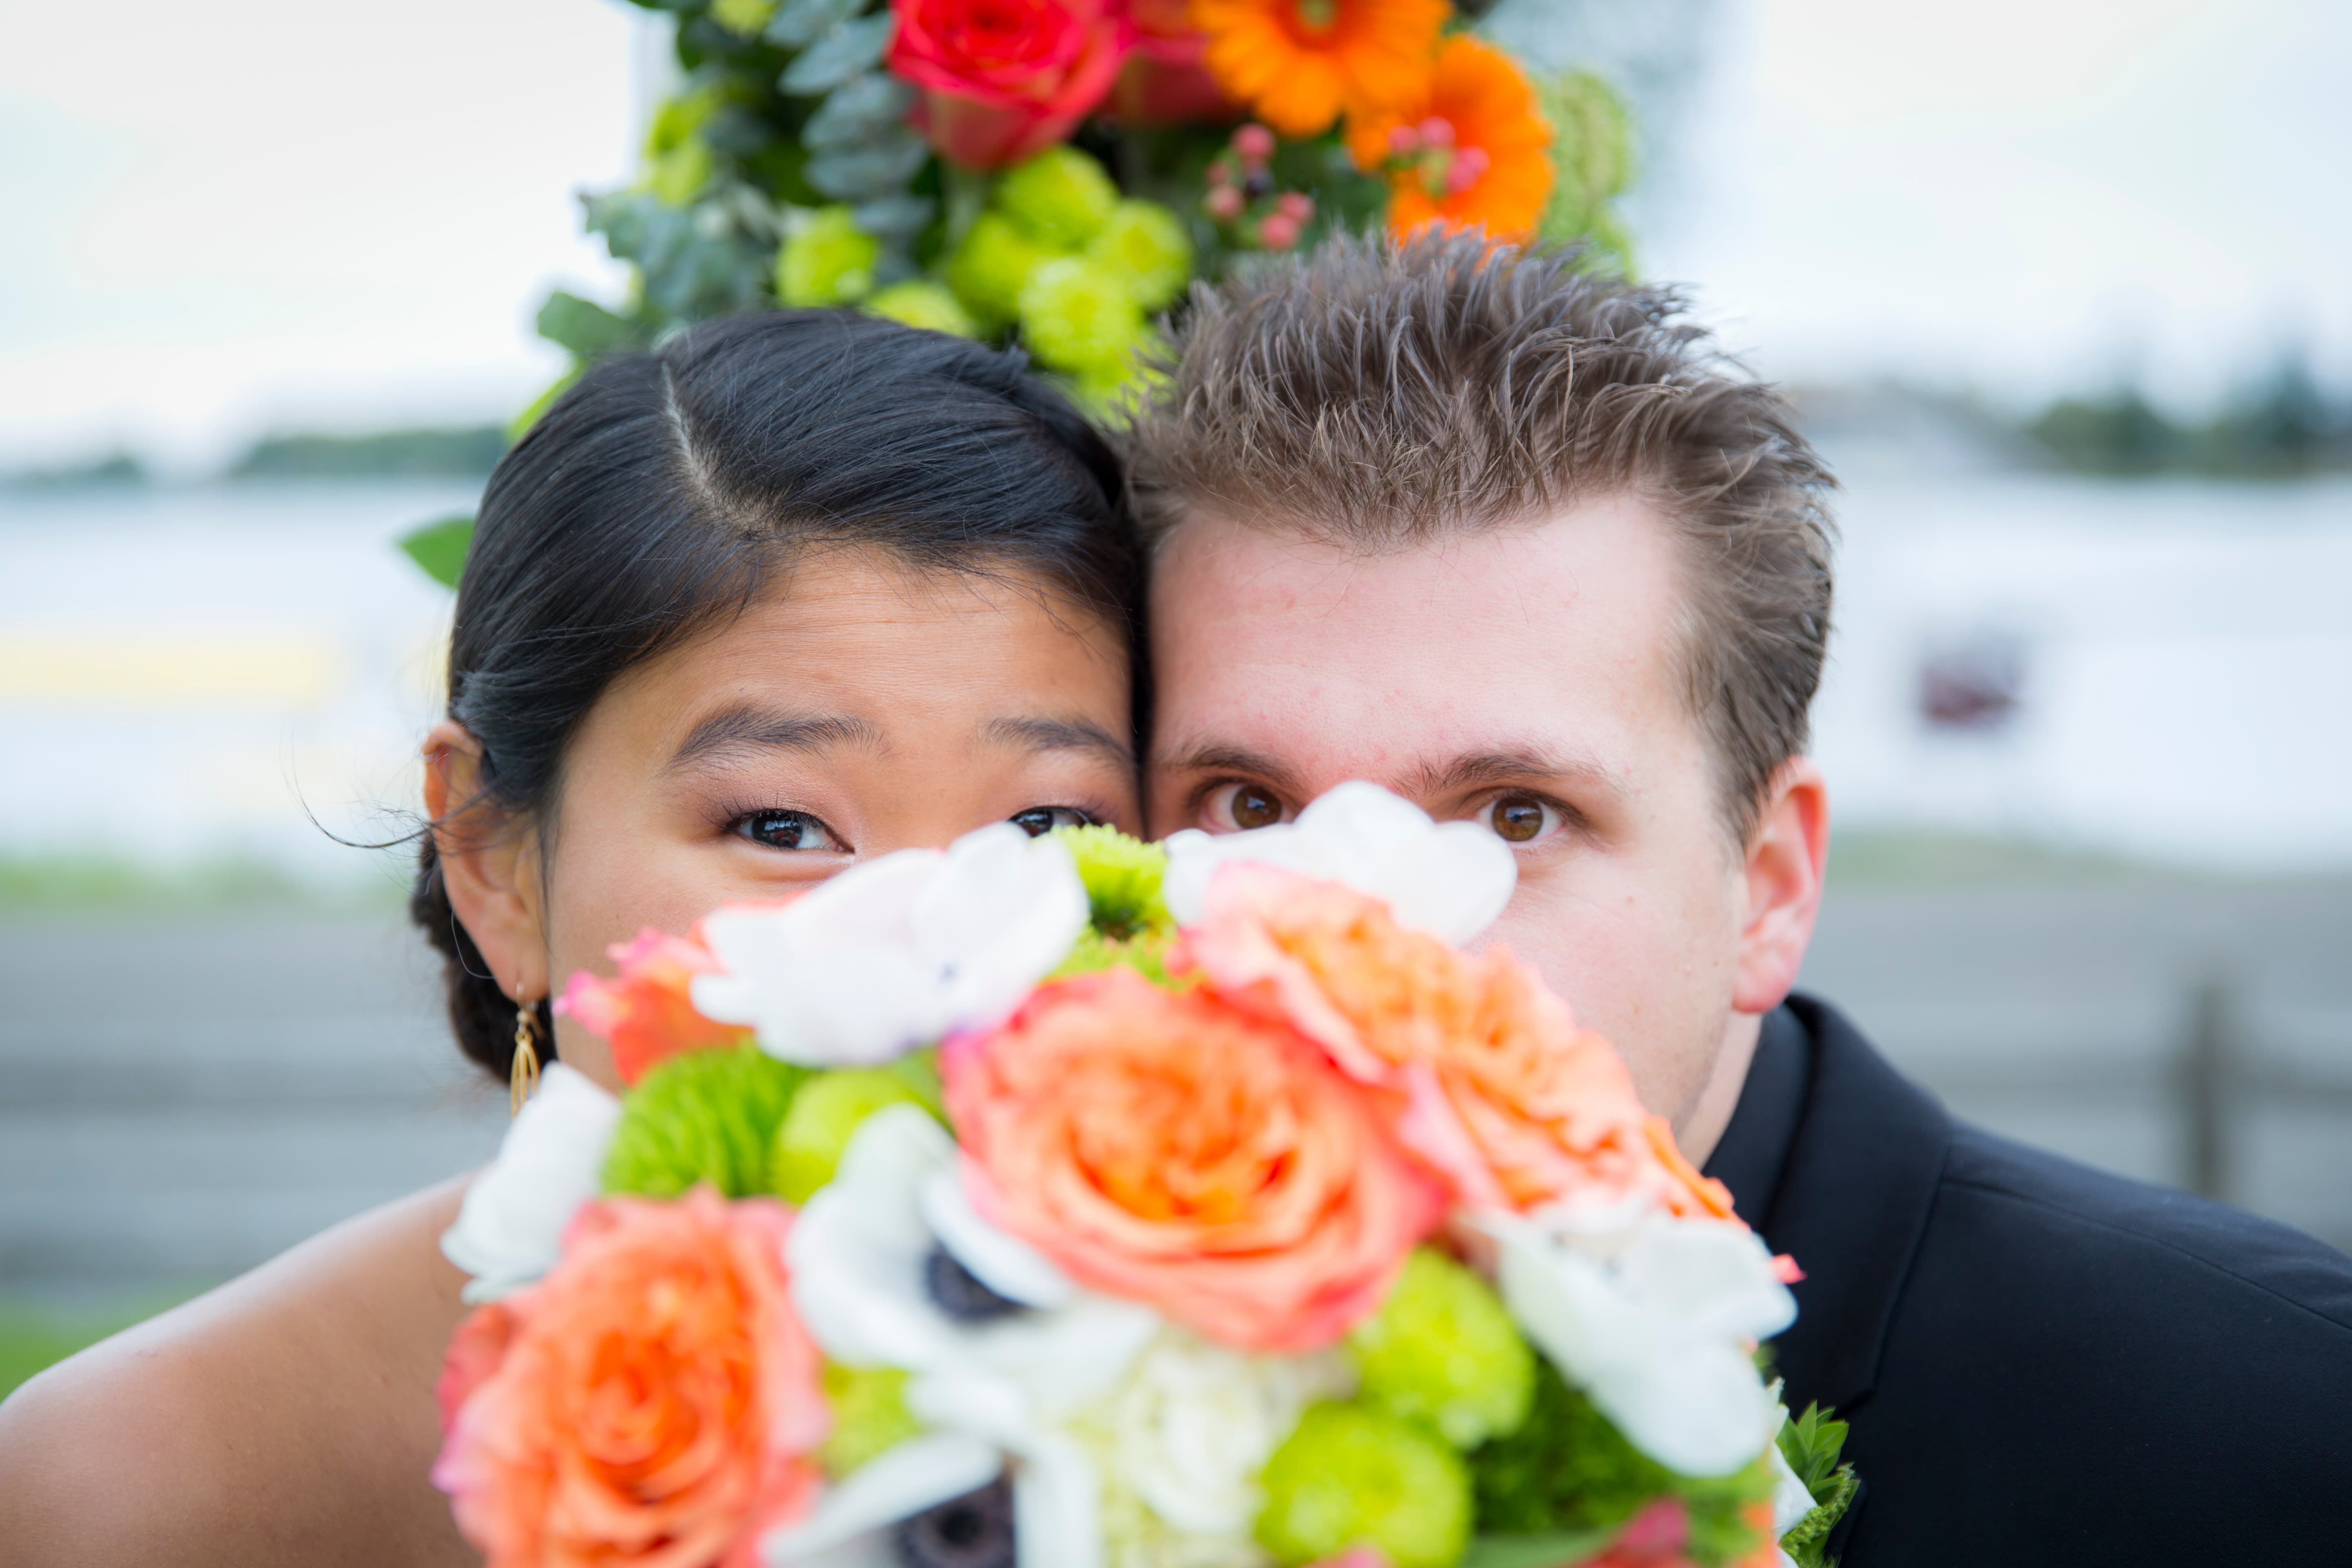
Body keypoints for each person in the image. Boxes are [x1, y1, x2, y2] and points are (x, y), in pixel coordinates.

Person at [1123, 231, 2352, 1564]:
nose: (1359, 940)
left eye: (1515, 816)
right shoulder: (1032, 1386)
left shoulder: (2268, 1429)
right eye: (1250, 806)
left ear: (1769, 886)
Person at [0, 312, 1146, 1565]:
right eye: (781, 824)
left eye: (1043, 826)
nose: (932, 958)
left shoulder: (1255, 1400)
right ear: (495, 862)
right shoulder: (137, 1489)